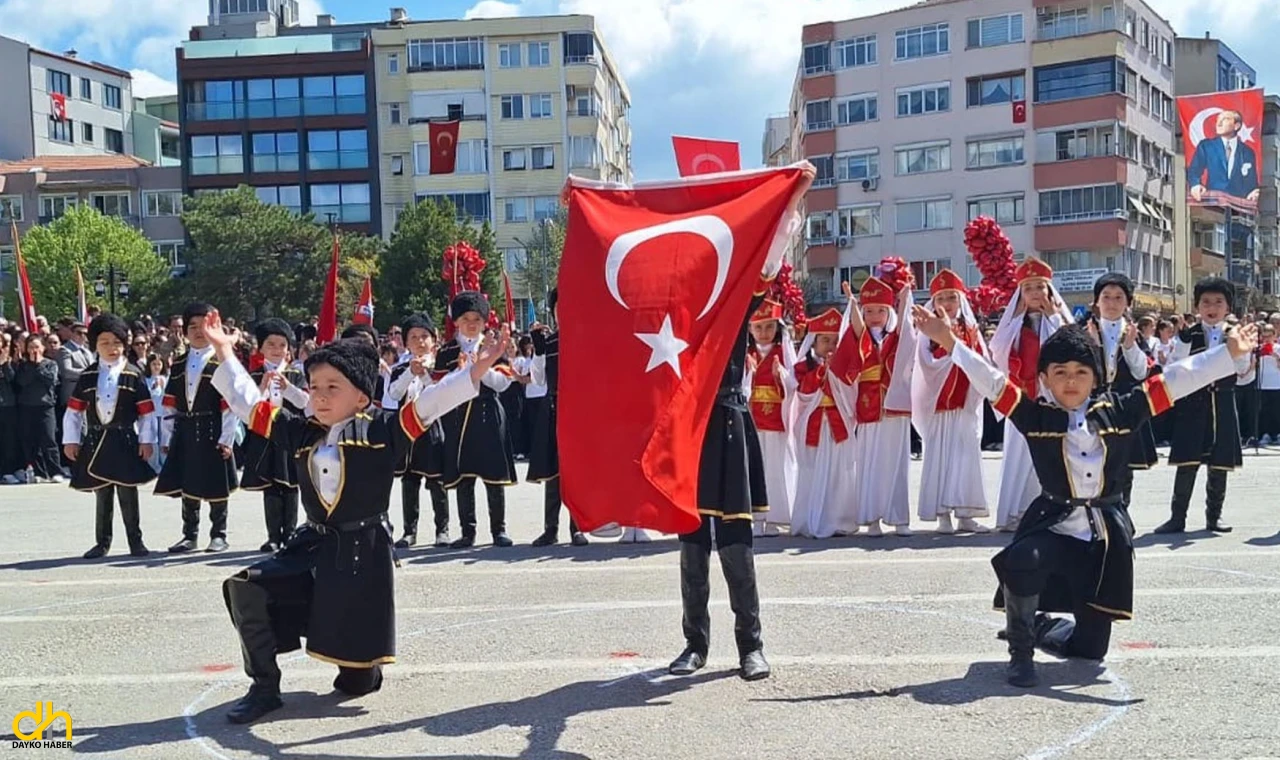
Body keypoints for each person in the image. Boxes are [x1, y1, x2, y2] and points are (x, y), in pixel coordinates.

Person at [913, 307, 1256, 687]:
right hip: (1053, 526)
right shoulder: (1036, 417)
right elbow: (991, 381)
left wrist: (1227, 354)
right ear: (1044, 379)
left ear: (1095, 377)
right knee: (1022, 558)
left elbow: (1177, 379)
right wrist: (949, 342)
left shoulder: (1121, 411)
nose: (1070, 381)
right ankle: (1020, 652)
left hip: (1102, 538)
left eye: (1080, 372)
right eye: (1060, 373)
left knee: (1091, 651)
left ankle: (1042, 627)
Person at [205, 309, 510, 724]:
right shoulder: (301, 430)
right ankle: (264, 687)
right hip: (313, 545)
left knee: (356, 682)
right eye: (314, 387)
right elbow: (248, 403)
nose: (320, 396)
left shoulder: (385, 430)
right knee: (247, 587)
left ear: (362, 397)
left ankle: (363, 667)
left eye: (333, 387)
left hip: (361, 554)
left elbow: (433, 401)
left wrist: (475, 369)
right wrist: (224, 351)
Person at [668, 201, 802, 683]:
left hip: (726, 426)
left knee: (735, 544)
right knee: (692, 547)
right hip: (688, 432)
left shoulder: (733, 302)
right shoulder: (668, 316)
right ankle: (695, 644)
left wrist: (791, 202)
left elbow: (768, 264)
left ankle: (751, 645)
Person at [1155, 278, 1252, 534]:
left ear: (1228, 307)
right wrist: (1183, 343)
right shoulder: (1189, 334)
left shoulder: (1235, 334)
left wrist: (1240, 351)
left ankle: (1214, 516)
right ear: (1197, 306)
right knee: (1187, 463)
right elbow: (1174, 366)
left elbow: (1244, 372)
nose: (1212, 307)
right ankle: (1177, 517)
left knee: (1220, 463)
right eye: (1206, 302)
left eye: (1219, 302)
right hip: (1193, 403)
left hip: (1222, 402)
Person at [988, 258, 1073, 531]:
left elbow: (1069, 348)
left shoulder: (1060, 320)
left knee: (1050, 454)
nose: (1035, 293)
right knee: (1019, 454)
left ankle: (1052, 511)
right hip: (1023, 398)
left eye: (1040, 286)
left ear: (1049, 290)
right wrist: (1013, 324)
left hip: (1052, 398)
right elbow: (997, 351)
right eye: (1028, 288)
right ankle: (1016, 512)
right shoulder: (1014, 324)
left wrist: (1053, 319)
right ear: (1020, 294)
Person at [62, 314, 158, 558]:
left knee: (128, 492)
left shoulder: (134, 374)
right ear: (95, 344)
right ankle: (102, 542)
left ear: (125, 344)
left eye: (116, 342)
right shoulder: (87, 375)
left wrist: (147, 440)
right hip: (97, 440)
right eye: (104, 342)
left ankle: (136, 541)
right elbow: (74, 412)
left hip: (125, 441)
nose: (111, 348)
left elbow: (147, 414)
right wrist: (71, 440)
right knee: (102, 492)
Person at [833, 276, 917, 537]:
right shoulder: (862, 340)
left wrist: (905, 297)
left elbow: (906, 328)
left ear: (890, 311)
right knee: (870, 463)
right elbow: (857, 327)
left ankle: (899, 518)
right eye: (869, 311)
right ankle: (871, 519)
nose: (875, 316)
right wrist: (851, 302)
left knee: (896, 464)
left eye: (881, 310)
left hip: (895, 407)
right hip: (869, 407)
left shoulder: (896, 337)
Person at [432, 292, 517, 548]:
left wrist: (481, 366)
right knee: (463, 477)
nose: (471, 324)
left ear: (484, 321)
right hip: (458, 416)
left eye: (477, 319)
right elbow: (437, 386)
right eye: (466, 319)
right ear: (456, 321)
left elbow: (503, 383)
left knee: (493, 474)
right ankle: (467, 531)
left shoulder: (493, 346)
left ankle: (499, 530)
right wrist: (461, 372)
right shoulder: (447, 350)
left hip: (487, 413)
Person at [911, 269, 990, 534]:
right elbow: (924, 362)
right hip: (940, 405)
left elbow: (981, 360)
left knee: (967, 458)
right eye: (941, 298)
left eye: (951, 297)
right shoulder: (928, 329)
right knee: (940, 459)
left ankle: (966, 514)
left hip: (965, 404)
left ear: (960, 299)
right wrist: (950, 355)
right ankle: (942, 514)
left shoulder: (971, 328)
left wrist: (964, 356)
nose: (946, 303)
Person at [156, 303, 239, 553]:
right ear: (185, 331)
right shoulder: (178, 363)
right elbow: (169, 404)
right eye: (192, 326)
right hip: (186, 427)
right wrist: (166, 438)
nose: (198, 331)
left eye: (204, 326)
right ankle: (189, 535)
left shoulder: (222, 361)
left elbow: (230, 406)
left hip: (213, 426)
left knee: (216, 483)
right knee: (188, 482)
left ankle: (219, 534)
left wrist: (227, 438)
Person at [1082, 273, 1157, 507]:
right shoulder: (1085, 331)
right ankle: (1097, 515)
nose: (1112, 303)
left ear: (1128, 303)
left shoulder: (1134, 334)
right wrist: (1093, 346)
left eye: (1118, 297)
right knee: (1095, 462)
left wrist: (1130, 347)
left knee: (1124, 467)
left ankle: (1121, 513)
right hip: (1093, 405)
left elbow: (1142, 372)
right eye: (1106, 297)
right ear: (1096, 301)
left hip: (1124, 403)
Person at [240, 319, 309, 553]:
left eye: (282, 345)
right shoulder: (254, 374)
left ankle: (290, 533)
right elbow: (248, 408)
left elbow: (305, 403)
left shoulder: (296, 373)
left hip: (289, 434)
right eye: (271, 344)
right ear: (261, 347)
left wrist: (288, 387)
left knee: (290, 484)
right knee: (270, 484)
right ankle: (272, 535)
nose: (277, 350)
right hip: (264, 435)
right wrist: (261, 387)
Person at [384, 313, 453, 548]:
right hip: (407, 429)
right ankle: (409, 531)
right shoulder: (400, 368)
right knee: (409, 480)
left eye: (424, 336)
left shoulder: (440, 367)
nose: (419, 341)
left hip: (431, 427)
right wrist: (410, 373)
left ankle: (442, 529)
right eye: (413, 337)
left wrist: (423, 373)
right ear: (405, 342)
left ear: (434, 340)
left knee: (436, 481)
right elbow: (394, 393)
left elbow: (439, 392)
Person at [528, 289, 588, 548]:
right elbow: (537, 379)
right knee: (553, 472)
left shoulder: (586, 340)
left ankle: (578, 528)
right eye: (558, 309)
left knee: (575, 473)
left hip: (578, 410)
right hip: (553, 406)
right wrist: (538, 352)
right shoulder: (549, 343)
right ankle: (550, 529)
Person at [790, 307, 856, 539]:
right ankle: (810, 520)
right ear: (814, 342)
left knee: (838, 472)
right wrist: (823, 372)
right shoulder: (802, 368)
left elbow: (851, 393)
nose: (830, 345)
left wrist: (836, 372)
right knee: (812, 471)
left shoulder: (845, 367)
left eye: (836, 341)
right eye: (825, 340)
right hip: (814, 424)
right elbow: (804, 394)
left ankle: (839, 519)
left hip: (837, 424)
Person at [743, 299, 797, 537]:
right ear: (750, 328)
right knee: (754, 469)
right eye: (759, 327)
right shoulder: (746, 354)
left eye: (769, 327)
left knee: (775, 470)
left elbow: (794, 384)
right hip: (753, 421)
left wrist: (780, 375)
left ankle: (775, 517)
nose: (764, 333)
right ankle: (756, 518)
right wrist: (749, 374)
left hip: (777, 420)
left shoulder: (783, 352)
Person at [15, 334, 63, 483]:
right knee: (31, 440)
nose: (34, 350)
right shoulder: (23, 366)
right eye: (31, 347)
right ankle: (39, 472)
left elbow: (51, 380)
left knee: (49, 439)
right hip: (27, 406)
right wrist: (32, 365)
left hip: (45, 406)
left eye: (36, 347)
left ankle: (55, 471)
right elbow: (22, 381)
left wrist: (38, 365)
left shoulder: (50, 364)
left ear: (43, 348)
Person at [1187, 110, 1260, 204]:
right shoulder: (1207, 146)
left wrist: (1254, 191)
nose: (1219, 123)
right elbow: (1194, 170)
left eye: (1225, 119)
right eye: (1218, 120)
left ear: (1236, 126)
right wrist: (1195, 184)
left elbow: (1251, 181)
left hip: (1237, 204)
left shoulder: (1247, 152)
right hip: (1213, 202)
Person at [0, 332, 22, 484]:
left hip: (8, 405)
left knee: (8, 440)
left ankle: (8, 470)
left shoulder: (9, 361)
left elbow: (14, 381)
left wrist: (5, 364)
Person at [1258, 325, 1280, 444]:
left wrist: (1275, 357)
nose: (1267, 339)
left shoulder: (1278, 348)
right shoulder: (1258, 348)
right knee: (1264, 411)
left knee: (1276, 410)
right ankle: (1264, 434)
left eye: (1269, 336)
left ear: (1274, 336)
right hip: (1262, 383)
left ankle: (1276, 434)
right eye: (1264, 336)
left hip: (1276, 383)